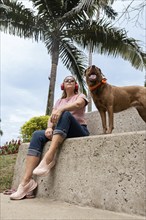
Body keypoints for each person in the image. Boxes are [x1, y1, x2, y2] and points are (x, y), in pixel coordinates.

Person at [10, 75, 90, 200]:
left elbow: (79, 104)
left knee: (66, 114)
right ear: (63, 85)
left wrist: (62, 109)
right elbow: (51, 118)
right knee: (37, 134)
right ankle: (26, 183)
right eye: (66, 80)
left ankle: (49, 157)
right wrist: (48, 128)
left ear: (76, 85)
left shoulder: (80, 96)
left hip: (78, 130)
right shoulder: (58, 101)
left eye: (72, 80)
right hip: (61, 130)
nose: (69, 81)